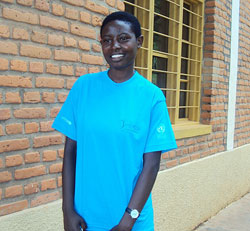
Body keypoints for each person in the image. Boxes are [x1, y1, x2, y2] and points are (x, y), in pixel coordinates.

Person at [52, 11, 177, 231]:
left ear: (139, 41)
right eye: (107, 40)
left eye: (123, 38)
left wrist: (128, 220)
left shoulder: (152, 97)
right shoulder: (84, 88)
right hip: (85, 219)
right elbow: (71, 152)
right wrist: (67, 210)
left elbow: (151, 165)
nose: (114, 46)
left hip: (131, 221)